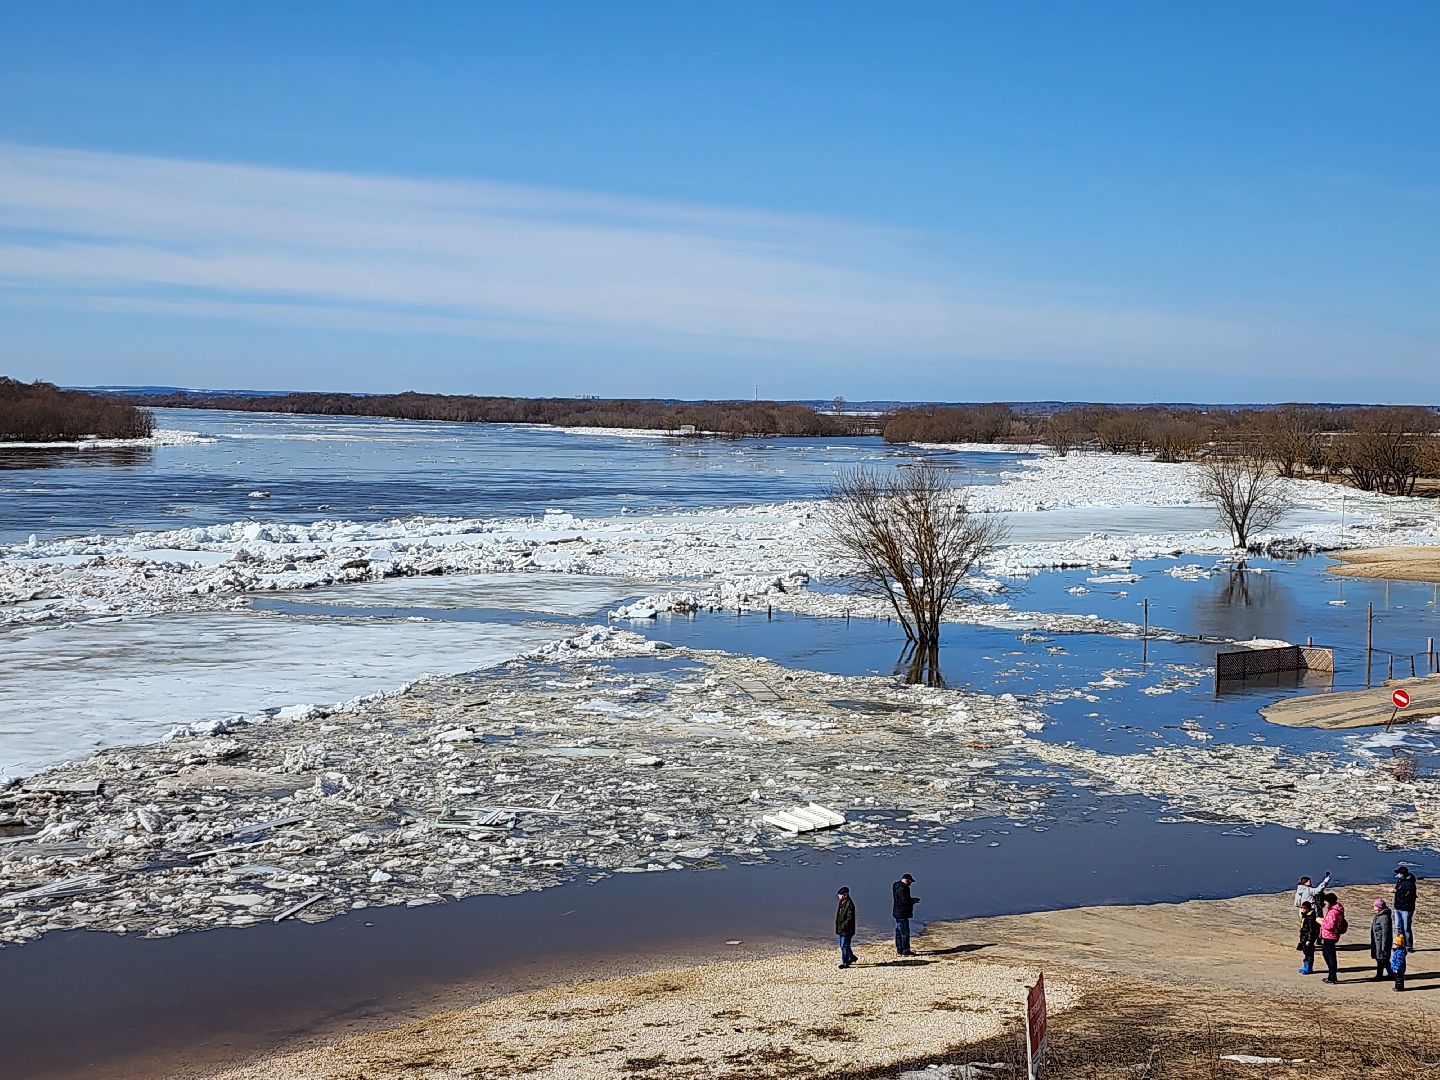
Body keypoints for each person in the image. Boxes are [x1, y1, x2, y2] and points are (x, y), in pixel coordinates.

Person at [1318, 892, 1346, 984]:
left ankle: (1332, 976)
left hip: (1330, 936)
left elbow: (1330, 926)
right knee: (1327, 954)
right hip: (1330, 935)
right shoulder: (1336, 909)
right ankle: (1332, 974)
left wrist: (1321, 922)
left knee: (1330, 956)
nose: (1324, 903)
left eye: (1325, 901)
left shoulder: (1333, 912)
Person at [892, 873, 919, 956]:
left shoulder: (896, 885)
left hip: (897, 912)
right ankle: (906, 950)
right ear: (907, 880)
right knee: (905, 933)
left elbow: (902, 899)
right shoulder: (903, 888)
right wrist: (913, 901)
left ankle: (899, 949)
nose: (910, 884)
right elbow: (905, 901)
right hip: (902, 913)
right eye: (910, 882)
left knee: (898, 932)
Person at [1394, 866, 1417, 954]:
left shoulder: (1410, 884)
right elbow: (1398, 890)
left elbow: (1408, 896)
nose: (1397, 875)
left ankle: (1409, 946)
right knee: (1398, 927)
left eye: (1399, 873)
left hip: (1407, 909)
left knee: (1406, 928)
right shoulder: (1400, 881)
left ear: (1403, 874)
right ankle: (1400, 944)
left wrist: (1397, 891)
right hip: (1398, 907)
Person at [1370, 899, 1394, 980]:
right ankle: (1391, 973)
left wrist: (1384, 946)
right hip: (1377, 941)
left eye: (1375, 906)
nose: (1373, 907)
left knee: (1381, 959)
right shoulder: (1378, 915)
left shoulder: (1384, 918)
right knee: (1383, 959)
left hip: (1381, 942)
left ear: (1379, 908)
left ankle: (1379, 975)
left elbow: (1386, 933)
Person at [835, 887, 857, 969]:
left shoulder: (849, 905)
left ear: (845, 895)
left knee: (843, 946)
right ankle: (851, 957)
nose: (838, 896)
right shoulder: (841, 903)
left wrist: (843, 926)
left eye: (840, 895)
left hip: (847, 930)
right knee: (845, 945)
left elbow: (849, 919)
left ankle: (845, 962)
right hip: (842, 929)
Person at [1296, 900, 1320, 975]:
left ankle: (1309, 968)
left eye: (1304, 908)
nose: (1302, 909)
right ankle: (1305, 967)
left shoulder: (1310, 918)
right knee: (1305, 953)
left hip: (1308, 939)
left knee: (1309, 954)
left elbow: (1311, 930)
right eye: (1302, 908)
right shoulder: (1305, 916)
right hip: (1304, 937)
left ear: (1308, 909)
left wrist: (1309, 940)